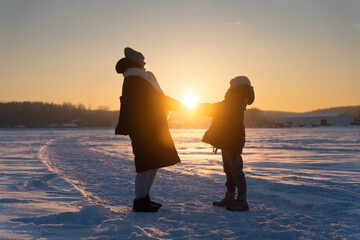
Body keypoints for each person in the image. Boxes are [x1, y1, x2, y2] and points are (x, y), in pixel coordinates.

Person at [115, 47, 184, 212]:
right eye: (142, 59)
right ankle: (140, 201)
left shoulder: (139, 77)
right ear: (135, 61)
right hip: (143, 129)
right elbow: (158, 100)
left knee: (153, 163)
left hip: (151, 127)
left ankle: (144, 198)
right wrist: (184, 106)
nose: (145, 62)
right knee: (146, 165)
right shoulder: (135, 79)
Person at [195, 76, 255, 211]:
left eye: (232, 84)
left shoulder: (234, 101)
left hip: (231, 140)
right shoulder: (235, 100)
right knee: (229, 170)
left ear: (237, 86)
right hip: (228, 139)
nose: (230, 86)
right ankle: (230, 196)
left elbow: (214, 108)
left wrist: (194, 106)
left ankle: (242, 200)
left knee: (235, 170)